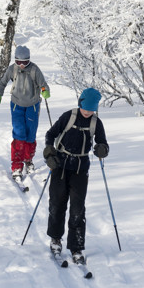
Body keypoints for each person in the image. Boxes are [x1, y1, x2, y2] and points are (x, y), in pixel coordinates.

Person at [42, 88, 109, 266]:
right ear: (80, 103)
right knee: (57, 203)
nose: (87, 113)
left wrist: (102, 149)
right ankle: (56, 239)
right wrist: (49, 153)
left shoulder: (96, 122)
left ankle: (76, 246)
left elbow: (102, 143)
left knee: (78, 208)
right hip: (60, 165)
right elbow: (51, 134)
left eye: (91, 110)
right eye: (85, 108)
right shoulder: (68, 116)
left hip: (81, 168)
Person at [0, 45, 51, 181]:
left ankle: (28, 160)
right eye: (19, 62)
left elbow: (43, 83)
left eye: (25, 62)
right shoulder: (12, 69)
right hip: (17, 105)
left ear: (29, 60)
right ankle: (17, 166)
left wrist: (45, 90)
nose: (22, 65)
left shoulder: (35, 69)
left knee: (30, 135)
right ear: (15, 60)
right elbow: (2, 83)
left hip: (33, 106)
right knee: (19, 134)